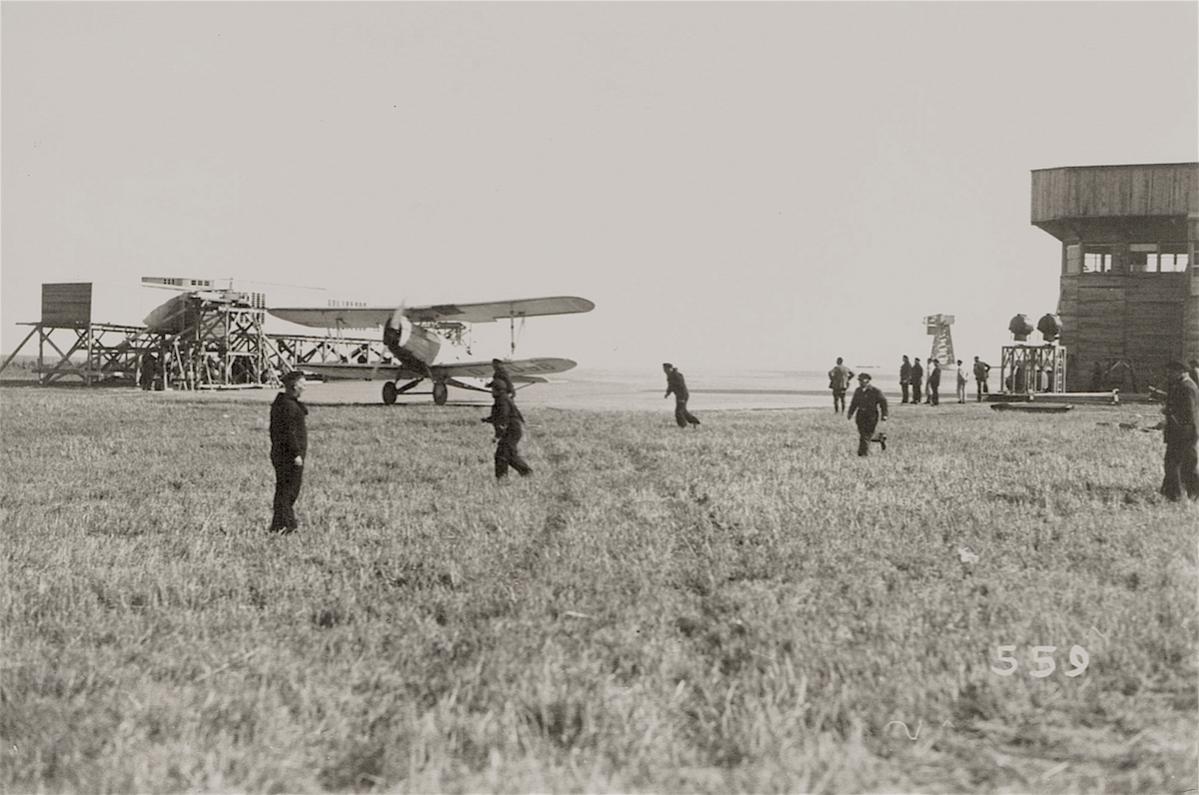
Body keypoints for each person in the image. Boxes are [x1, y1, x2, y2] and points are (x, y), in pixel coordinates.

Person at [269, 371, 309, 534]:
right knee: (289, 491)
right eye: (303, 384)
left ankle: (278, 525)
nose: (304, 388)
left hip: (281, 454)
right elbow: (288, 433)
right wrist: (296, 454)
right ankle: (288, 525)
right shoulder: (288, 407)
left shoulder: (284, 404)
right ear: (294, 386)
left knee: (284, 489)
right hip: (288, 455)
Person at [1160, 360, 1199, 502]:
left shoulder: (1187, 387)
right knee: (1182, 464)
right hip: (1180, 432)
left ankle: (1176, 495)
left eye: (1171, 371)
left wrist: (1170, 413)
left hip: (1184, 433)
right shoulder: (1181, 385)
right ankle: (1183, 493)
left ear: (1182, 371)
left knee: (1177, 463)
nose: (1168, 374)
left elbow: (1188, 413)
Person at [482, 380, 532, 479]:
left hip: (511, 430)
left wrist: (498, 435)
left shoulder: (501, 400)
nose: (491, 392)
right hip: (514, 429)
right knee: (505, 454)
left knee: (503, 455)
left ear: (497, 390)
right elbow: (503, 415)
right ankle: (506, 478)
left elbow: (503, 417)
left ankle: (525, 473)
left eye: (492, 389)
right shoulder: (504, 398)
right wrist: (488, 419)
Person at [847, 372, 888, 457]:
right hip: (860, 415)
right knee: (864, 434)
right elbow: (854, 403)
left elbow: (883, 403)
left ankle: (862, 454)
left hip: (871, 416)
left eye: (863, 380)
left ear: (868, 380)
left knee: (865, 435)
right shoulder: (858, 391)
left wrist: (884, 415)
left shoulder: (875, 391)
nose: (861, 382)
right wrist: (850, 413)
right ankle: (880, 439)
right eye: (859, 380)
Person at [663, 363, 700, 428]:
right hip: (679, 395)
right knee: (683, 410)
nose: (664, 371)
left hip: (682, 395)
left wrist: (682, 398)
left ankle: (683, 426)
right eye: (664, 369)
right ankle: (694, 422)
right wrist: (667, 393)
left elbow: (681, 386)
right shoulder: (670, 376)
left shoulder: (676, 375)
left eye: (666, 369)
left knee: (678, 412)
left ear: (670, 369)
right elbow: (670, 386)